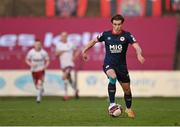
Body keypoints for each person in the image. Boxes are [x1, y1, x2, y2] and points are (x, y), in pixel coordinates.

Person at [82, 14, 145, 118]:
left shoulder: (127, 35)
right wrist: (84, 50)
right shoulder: (106, 34)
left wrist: (139, 54)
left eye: (119, 24)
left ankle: (128, 109)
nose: (117, 26)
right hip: (109, 64)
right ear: (112, 24)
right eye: (115, 24)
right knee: (112, 76)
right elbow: (93, 41)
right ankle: (112, 104)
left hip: (122, 67)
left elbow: (137, 46)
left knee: (127, 90)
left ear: (122, 24)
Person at [56, 32, 79, 100]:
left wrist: (74, 57)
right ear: (61, 37)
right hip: (63, 64)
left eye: (65, 36)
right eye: (62, 36)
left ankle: (65, 95)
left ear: (67, 37)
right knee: (69, 80)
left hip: (70, 64)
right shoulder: (58, 45)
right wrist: (60, 52)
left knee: (65, 77)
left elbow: (77, 50)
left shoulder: (70, 44)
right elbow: (56, 54)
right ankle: (75, 90)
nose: (64, 37)